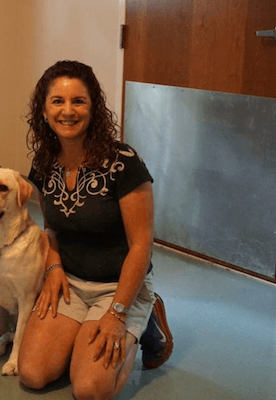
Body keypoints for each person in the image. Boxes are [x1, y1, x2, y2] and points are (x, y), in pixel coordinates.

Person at [17, 60, 173, 399]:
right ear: (43, 110)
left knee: (88, 389)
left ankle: (143, 320)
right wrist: (54, 266)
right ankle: (84, 333)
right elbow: (51, 228)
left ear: (94, 107)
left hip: (118, 287)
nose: (68, 111)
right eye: (57, 101)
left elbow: (141, 245)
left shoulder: (124, 163)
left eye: (78, 101)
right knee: (32, 374)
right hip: (70, 281)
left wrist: (118, 314)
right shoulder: (44, 162)